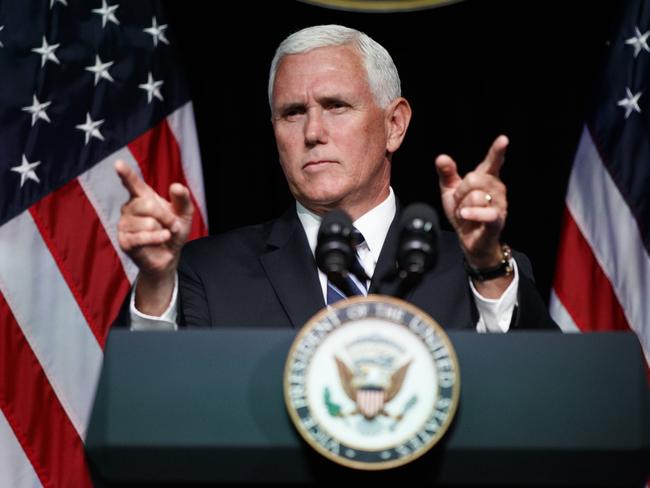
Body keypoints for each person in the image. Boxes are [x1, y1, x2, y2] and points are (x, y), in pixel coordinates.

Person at [114, 24, 556, 331]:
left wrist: (486, 266)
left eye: (336, 106)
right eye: (292, 113)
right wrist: (154, 281)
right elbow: (151, 400)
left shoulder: (477, 268)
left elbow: (540, 391)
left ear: (395, 125)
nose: (312, 133)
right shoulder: (204, 273)